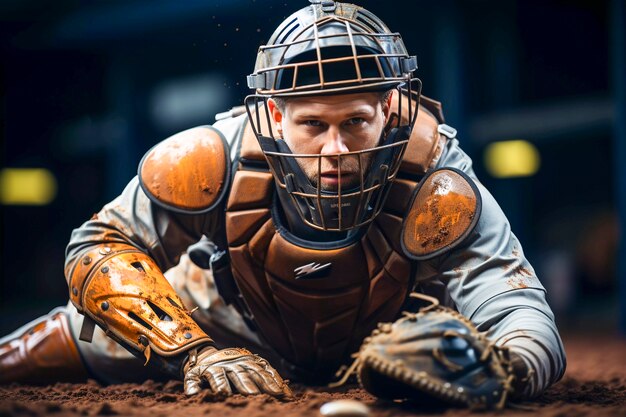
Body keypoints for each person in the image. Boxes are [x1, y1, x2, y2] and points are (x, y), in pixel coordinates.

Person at [0, 0, 565, 408]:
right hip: (226, 328)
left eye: (356, 123)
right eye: (313, 124)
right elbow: (97, 246)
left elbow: (519, 309)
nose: (335, 149)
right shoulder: (212, 158)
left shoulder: (436, 175)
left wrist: (504, 367)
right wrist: (193, 352)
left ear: (391, 106)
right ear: (273, 114)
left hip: (393, 346)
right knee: (43, 350)